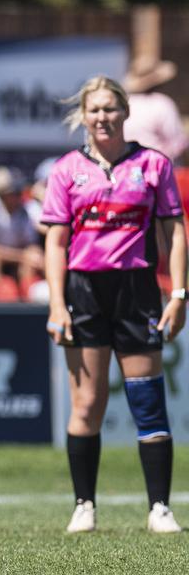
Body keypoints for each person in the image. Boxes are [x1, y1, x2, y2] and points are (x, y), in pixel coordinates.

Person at [42, 75, 187, 534]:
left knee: (147, 399)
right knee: (86, 404)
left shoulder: (153, 165)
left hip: (137, 290)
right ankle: (84, 505)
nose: (103, 117)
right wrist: (56, 304)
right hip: (83, 292)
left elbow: (174, 231)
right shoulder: (67, 170)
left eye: (111, 108)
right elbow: (54, 243)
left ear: (126, 113)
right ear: (83, 116)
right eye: (95, 110)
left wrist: (179, 293)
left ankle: (159, 508)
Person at [123, 56, 187, 163]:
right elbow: (177, 142)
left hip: (127, 166)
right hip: (156, 167)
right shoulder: (161, 103)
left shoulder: (124, 103)